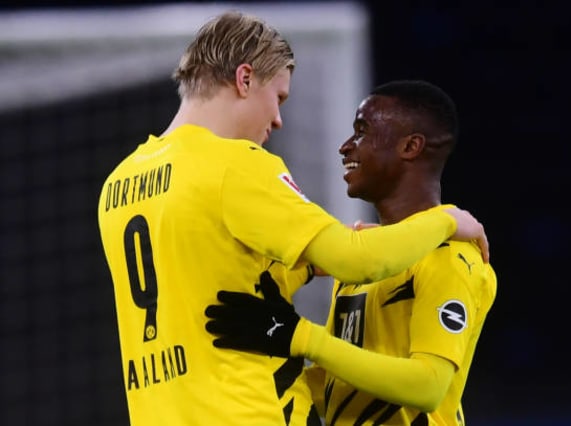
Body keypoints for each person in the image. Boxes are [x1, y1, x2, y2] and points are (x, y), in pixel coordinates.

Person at [97, 10, 488, 425]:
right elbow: (357, 259)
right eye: (278, 97)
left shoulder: (119, 185)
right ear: (245, 79)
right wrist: (446, 221)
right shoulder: (237, 165)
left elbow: (222, 275)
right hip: (248, 410)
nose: (278, 120)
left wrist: (311, 267)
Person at [205, 80, 497, 425]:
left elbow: (428, 386)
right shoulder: (360, 265)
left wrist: (303, 338)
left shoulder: (449, 255)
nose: (345, 147)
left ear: (411, 147)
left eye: (362, 131)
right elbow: (339, 389)